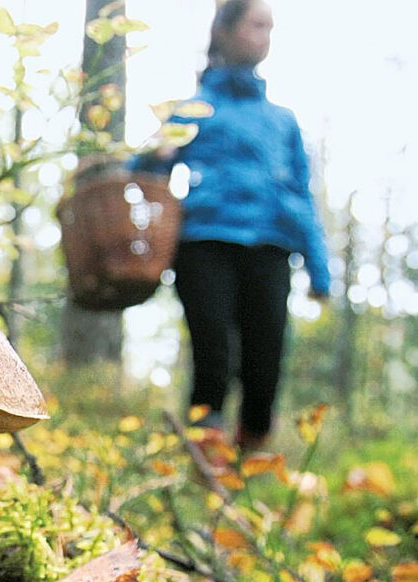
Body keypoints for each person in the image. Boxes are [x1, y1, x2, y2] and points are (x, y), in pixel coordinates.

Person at [133, 0, 331, 453]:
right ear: (225, 31)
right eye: (257, 24)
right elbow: (142, 175)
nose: (265, 35)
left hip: (271, 249)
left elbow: (300, 196)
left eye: (270, 27)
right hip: (204, 245)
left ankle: (251, 457)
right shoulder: (194, 108)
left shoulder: (283, 121)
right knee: (213, 353)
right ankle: (207, 460)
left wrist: (319, 270)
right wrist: (154, 156)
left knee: (266, 358)